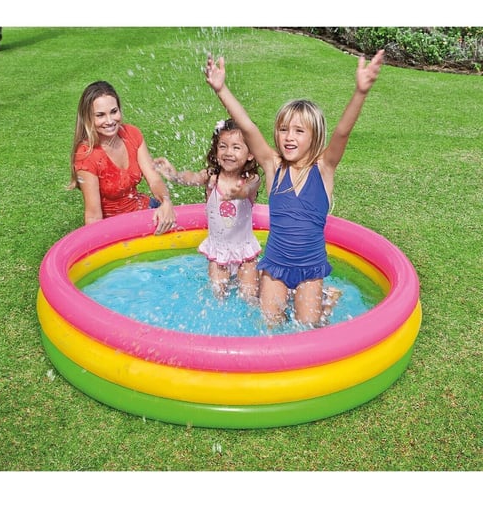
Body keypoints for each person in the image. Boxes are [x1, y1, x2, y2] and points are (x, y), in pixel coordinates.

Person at [204, 50, 385, 326]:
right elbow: (248, 127)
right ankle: (315, 300)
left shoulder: (324, 168)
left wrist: (360, 92)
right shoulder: (273, 166)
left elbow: (342, 132)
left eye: (299, 131)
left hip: (310, 271)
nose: (289, 137)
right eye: (283, 129)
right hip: (275, 267)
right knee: (270, 325)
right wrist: (221, 89)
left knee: (308, 327)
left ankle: (327, 298)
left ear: (315, 136)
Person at [154, 118, 261, 302]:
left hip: (245, 254)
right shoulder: (212, 177)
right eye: (223, 146)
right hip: (217, 253)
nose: (228, 153)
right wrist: (175, 175)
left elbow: (249, 189)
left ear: (250, 153)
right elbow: (191, 177)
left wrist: (240, 192)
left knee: (250, 297)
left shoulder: (250, 179)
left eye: (236, 147)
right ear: (216, 149)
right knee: (217, 296)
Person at [68, 81, 176, 233]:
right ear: (88, 118)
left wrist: (165, 201)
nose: (110, 121)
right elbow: (93, 216)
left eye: (114, 111)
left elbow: (154, 179)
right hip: (115, 227)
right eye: (100, 115)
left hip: (146, 209)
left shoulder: (132, 134)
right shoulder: (86, 155)